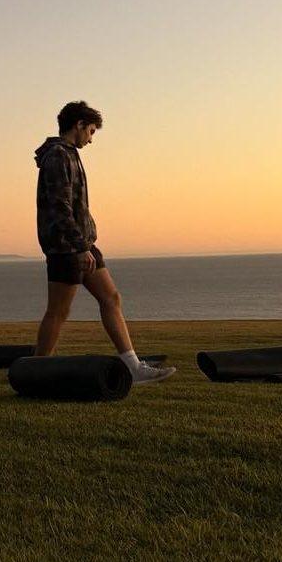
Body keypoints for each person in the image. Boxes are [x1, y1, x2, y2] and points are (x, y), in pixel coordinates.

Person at [34, 102, 174, 384]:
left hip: (82, 243)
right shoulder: (58, 156)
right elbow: (60, 207)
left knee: (111, 298)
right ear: (79, 125)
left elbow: (74, 205)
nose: (91, 138)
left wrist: (87, 239)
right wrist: (80, 246)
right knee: (58, 312)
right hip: (67, 247)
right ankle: (34, 371)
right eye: (92, 131)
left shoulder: (69, 155)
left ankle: (133, 367)